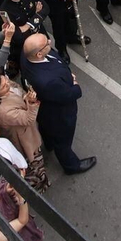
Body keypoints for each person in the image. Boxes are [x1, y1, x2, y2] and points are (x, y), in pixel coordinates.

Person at [22, 32, 95, 175]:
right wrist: (74, 85)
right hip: (59, 114)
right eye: (46, 44)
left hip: (44, 108)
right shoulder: (48, 82)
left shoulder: (26, 56)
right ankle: (71, 165)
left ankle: (49, 143)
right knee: (63, 141)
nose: (50, 41)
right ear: (39, 54)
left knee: (46, 129)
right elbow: (69, 95)